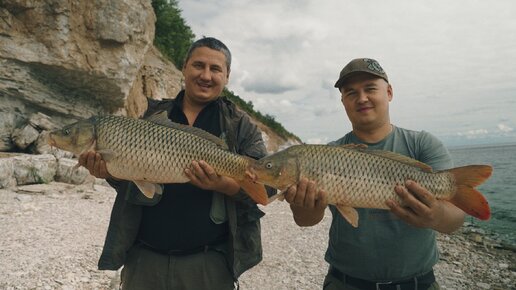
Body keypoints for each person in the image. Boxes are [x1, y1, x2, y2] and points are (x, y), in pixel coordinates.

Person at [79, 37, 274, 290]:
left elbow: (268, 189)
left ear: (227, 76)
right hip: (144, 259)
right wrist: (107, 172)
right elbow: (131, 180)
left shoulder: (241, 126)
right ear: (184, 67)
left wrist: (225, 185)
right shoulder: (152, 118)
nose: (205, 75)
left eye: (215, 69)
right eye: (198, 65)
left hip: (209, 265)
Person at [284, 58, 465, 290]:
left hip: (417, 283)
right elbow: (306, 221)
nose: (361, 98)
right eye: (351, 93)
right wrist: (305, 206)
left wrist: (436, 214)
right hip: (345, 282)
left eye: (370, 88)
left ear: (388, 92)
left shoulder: (422, 145)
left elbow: (455, 221)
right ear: (343, 102)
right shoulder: (328, 153)